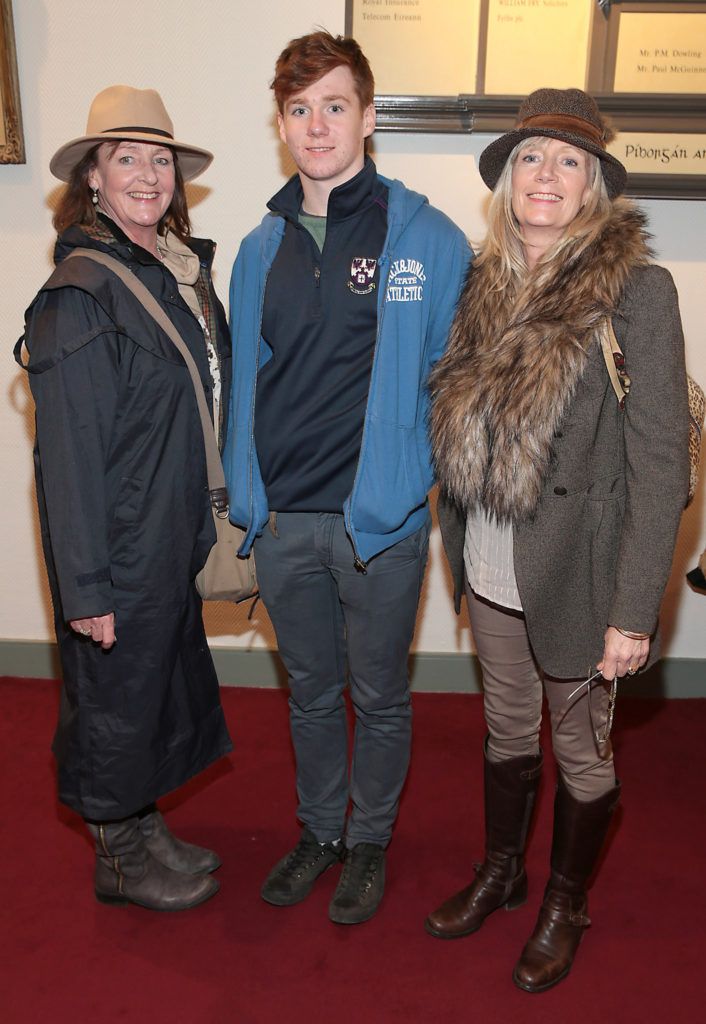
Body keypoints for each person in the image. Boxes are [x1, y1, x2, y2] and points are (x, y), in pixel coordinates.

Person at [425, 88, 689, 990]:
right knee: (505, 726)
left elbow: (664, 463)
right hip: (493, 561)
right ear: (507, 180)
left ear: (593, 186)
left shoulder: (638, 292)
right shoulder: (479, 281)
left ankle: (565, 900)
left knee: (582, 749)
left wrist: (633, 610)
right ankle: (502, 872)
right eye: (531, 157)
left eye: (568, 161)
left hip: (579, 565)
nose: (547, 174)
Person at [224, 31, 469, 925]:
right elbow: (245, 378)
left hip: (381, 527)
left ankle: (369, 842)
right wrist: (243, 494)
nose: (317, 125)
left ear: (368, 115)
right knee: (313, 696)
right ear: (281, 124)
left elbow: (459, 380)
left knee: (380, 695)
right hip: (284, 522)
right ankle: (321, 831)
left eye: (335, 105)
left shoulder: (427, 237)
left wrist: (414, 478)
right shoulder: (259, 247)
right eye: (299, 109)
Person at [17, 86, 233, 911]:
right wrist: (87, 588)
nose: (147, 174)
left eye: (160, 159)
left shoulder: (173, 272)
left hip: (166, 530)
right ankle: (118, 860)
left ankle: (142, 828)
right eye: (125, 158)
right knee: (113, 702)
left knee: (152, 689)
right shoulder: (81, 292)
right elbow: (66, 458)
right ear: (95, 181)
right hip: (115, 541)